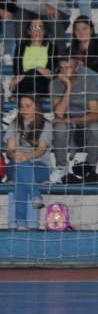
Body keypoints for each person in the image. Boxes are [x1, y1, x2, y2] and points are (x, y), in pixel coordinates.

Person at [49, 56, 98, 184]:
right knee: (60, 127)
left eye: (68, 67)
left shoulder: (88, 83)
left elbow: (95, 115)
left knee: (96, 127)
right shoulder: (55, 84)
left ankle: (90, 168)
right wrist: (68, 87)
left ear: (77, 68)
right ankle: (62, 167)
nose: (64, 71)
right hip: (66, 130)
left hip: (84, 126)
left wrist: (70, 120)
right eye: (61, 68)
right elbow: (59, 113)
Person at [5, 94, 52, 230]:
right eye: (21, 106)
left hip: (39, 167)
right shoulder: (14, 124)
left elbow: (41, 150)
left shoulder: (46, 125)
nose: (24, 109)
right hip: (15, 164)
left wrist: (27, 156)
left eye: (28, 106)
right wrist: (15, 155)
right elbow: (10, 150)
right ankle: (35, 195)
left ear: (36, 107)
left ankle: (20, 222)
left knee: (19, 177)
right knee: (19, 167)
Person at [66, 16, 98, 95]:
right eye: (77, 29)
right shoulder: (69, 50)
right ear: (74, 32)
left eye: (84, 28)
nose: (81, 32)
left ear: (91, 30)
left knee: (80, 69)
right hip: (80, 88)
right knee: (77, 68)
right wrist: (74, 64)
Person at [9, 18, 56, 99]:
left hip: (42, 86)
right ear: (29, 31)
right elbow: (17, 72)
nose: (38, 31)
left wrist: (35, 70)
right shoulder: (20, 48)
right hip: (23, 84)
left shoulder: (52, 48)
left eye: (40, 27)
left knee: (34, 75)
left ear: (45, 31)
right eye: (34, 27)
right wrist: (38, 69)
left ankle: (21, 97)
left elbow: (49, 73)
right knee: (32, 75)